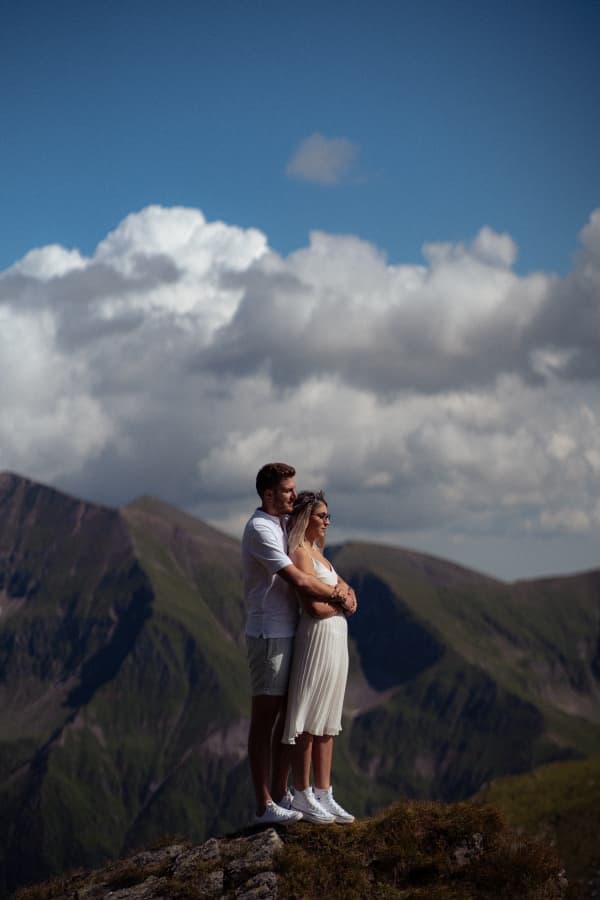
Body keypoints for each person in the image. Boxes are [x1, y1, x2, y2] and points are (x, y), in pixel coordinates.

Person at [242, 463, 356, 826]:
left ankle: (281, 794)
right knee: (267, 718)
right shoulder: (260, 528)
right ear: (268, 494)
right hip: (268, 633)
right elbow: (300, 581)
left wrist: (341, 592)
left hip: (290, 631)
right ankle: (264, 805)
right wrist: (340, 594)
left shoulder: (281, 525)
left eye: (294, 490)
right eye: (288, 490)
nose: (293, 494)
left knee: (288, 718)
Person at [282, 490, 356, 825]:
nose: (327, 521)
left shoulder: (320, 556)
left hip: (335, 640)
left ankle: (324, 792)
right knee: (310, 718)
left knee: (327, 719)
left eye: (328, 516)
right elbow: (312, 606)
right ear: (305, 518)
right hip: (317, 640)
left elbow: (348, 594)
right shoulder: (299, 553)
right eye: (321, 516)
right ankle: (303, 791)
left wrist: (344, 600)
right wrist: (340, 602)